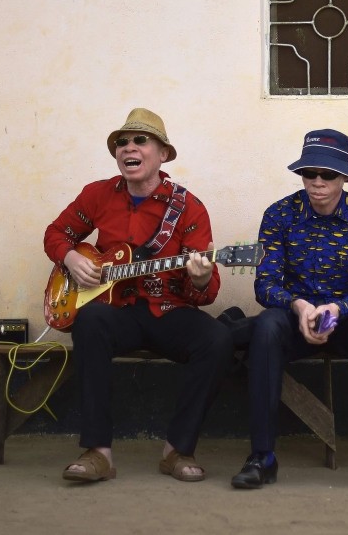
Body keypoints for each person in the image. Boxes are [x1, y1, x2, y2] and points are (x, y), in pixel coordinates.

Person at [44, 107, 233, 483]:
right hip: (116, 312)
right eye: (122, 142)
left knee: (218, 339)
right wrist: (70, 258)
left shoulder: (188, 207)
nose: (128, 147)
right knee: (90, 321)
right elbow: (56, 233)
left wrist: (199, 279)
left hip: (168, 309)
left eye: (140, 140)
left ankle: (177, 450)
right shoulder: (98, 195)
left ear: (162, 154)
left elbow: (207, 294)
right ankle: (98, 453)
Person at [230, 129, 348, 492]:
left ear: (344, 177)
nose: (317, 183)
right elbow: (265, 284)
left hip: (345, 319)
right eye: (309, 173)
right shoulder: (279, 214)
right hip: (293, 317)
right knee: (267, 327)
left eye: (328, 175)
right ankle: (262, 456)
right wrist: (299, 306)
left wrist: (334, 310)